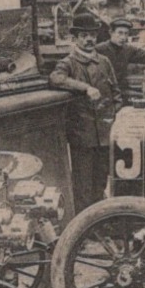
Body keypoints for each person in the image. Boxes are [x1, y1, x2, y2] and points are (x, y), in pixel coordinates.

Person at [49, 12, 119, 209]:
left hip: (105, 133)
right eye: (83, 35)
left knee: (101, 181)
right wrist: (85, 88)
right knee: (83, 185)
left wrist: (117, 116)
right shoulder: (68, 63)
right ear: (75, 38)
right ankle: (84, 227)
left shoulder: (104, 62)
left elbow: (116, 92)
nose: (89, 39)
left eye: (92, 35)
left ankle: (99, 220)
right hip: (83, 134)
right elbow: (56, 78)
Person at [100, 16, 145, 104]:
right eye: (120, 33)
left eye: (126, 34)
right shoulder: (100, 49)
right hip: (104, 92)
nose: (123, 37)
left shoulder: (128, 49)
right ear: (111, 32)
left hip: (122, 91)